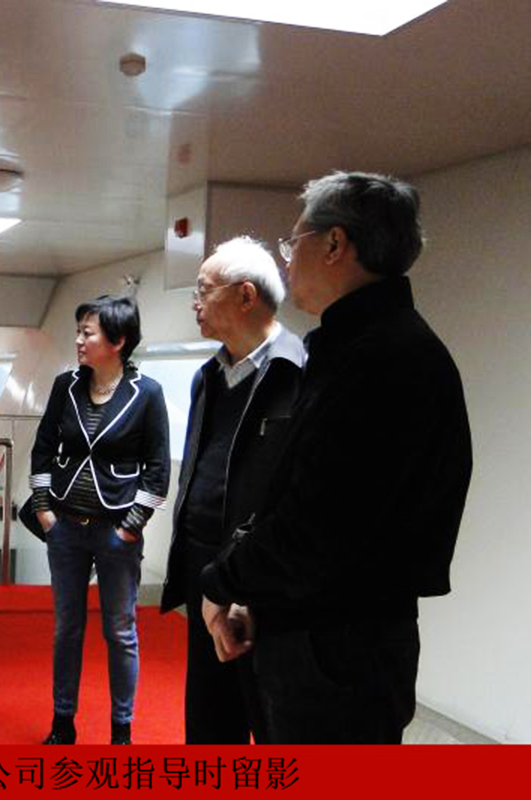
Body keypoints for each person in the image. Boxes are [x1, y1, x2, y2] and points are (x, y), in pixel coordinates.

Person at [200, 172, 472, 743]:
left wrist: (222, 581)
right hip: (326, 640)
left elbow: (317, 528)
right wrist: (256, 594)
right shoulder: (362, 348)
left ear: (334, 244)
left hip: (335, 656)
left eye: (292, 242)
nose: (288, 258)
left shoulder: (382, 361)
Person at [161, 237, 305, 744]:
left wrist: (244, 588)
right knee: (208, 724)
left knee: (270, 724)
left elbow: (293, 495)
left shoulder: (298, 373)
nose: (195, 303)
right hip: (205, 571)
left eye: (204, 290)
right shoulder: (207, 377)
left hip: (260, 582)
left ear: (246, 295)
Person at [29, 294, 170, 745]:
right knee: (66, 629)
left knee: (120, 631)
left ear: (118, 340)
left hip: (116, 531)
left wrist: (132, 525)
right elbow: (42, 447)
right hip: (65, 527)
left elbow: (158, 467)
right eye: (78, 331)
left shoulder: (147, 394)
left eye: (87, 333)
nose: (78, 340)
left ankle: (121, 730)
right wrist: (44, 511)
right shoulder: (65, 386)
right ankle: (62, 723)